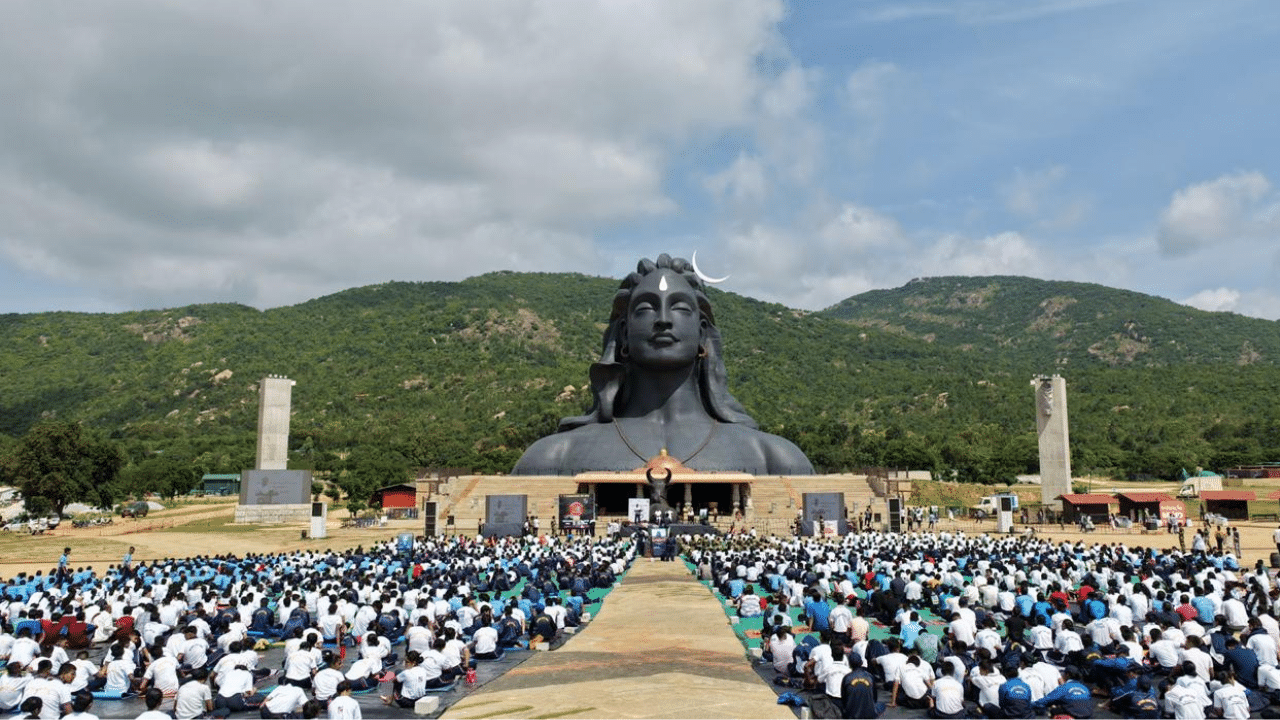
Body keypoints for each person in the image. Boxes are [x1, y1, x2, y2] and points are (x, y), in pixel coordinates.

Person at [512, 254, 814, 475]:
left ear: (702, 332)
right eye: (645, 308)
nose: (664, 320)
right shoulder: (553, 457)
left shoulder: (775, 458)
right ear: (624, 333)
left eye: (680, 308)